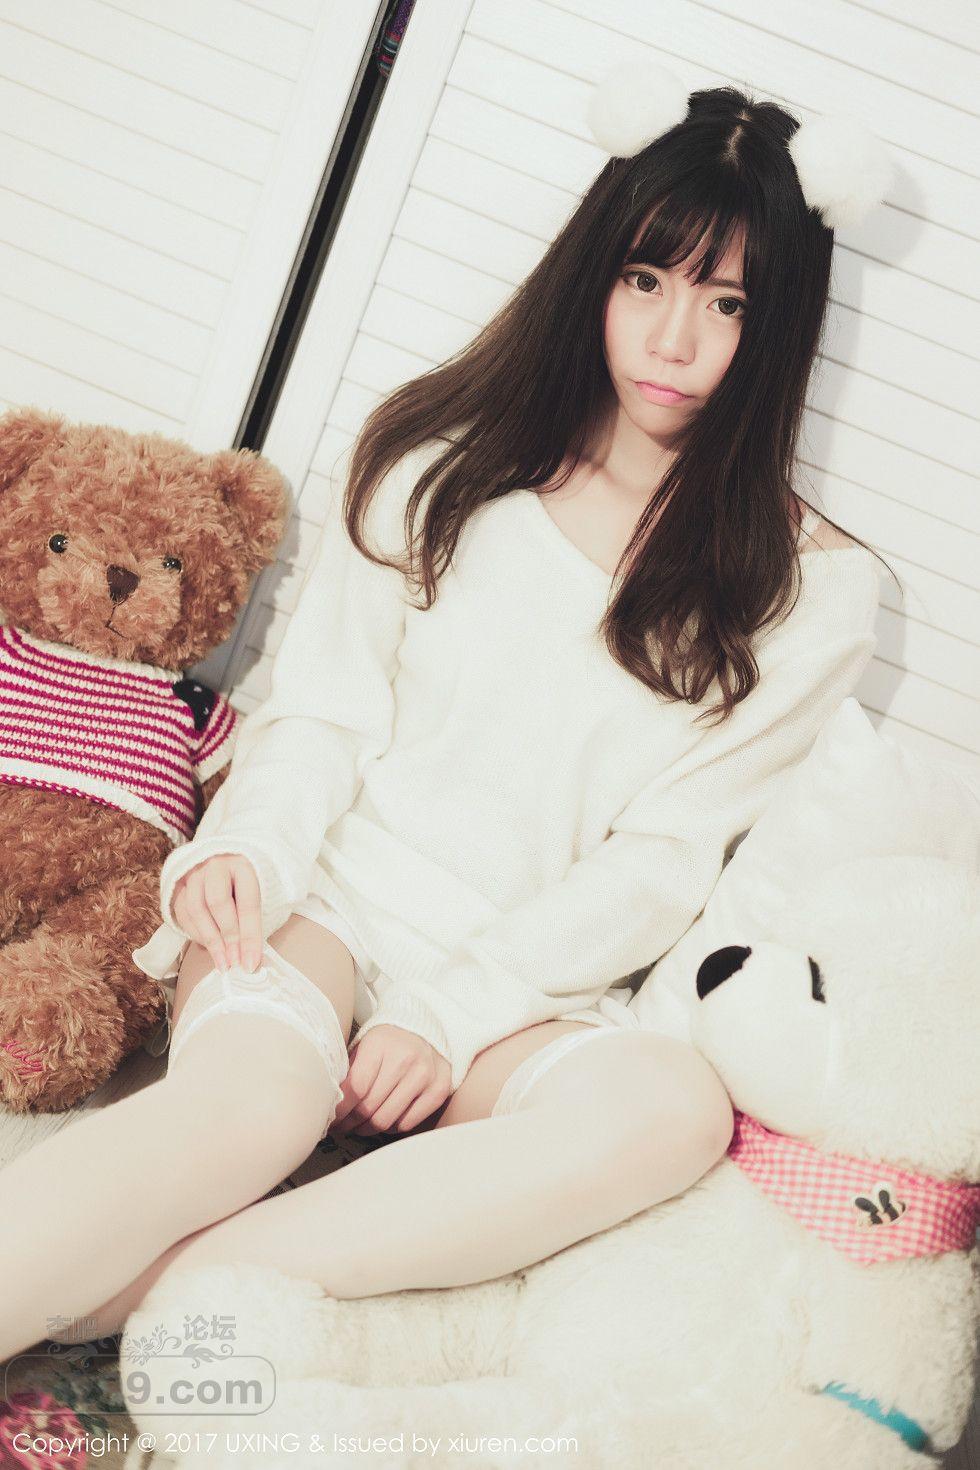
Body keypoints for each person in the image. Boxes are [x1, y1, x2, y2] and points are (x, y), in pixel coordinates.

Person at [0, 73, 895, 1361]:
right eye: (646, 280)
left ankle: (157, 1291)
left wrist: (451, 1011)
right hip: (324, 910)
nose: (674, 340)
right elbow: (319, 714)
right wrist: (247, 849)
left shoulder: (813, 591)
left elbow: (664, 861)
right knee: (248, 1113)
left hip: (528, 990)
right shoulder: (442, 459)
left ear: (782, 323)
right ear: (594, 272)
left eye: (727, 302)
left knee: (672, 1111)